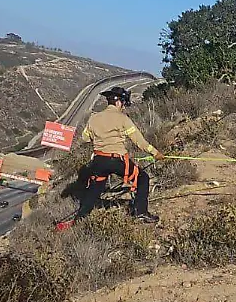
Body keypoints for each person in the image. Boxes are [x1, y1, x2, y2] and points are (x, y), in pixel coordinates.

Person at [59, 86, 164, 229]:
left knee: (95, 189)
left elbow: (85, 138)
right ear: (119, 102)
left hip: (98, 161)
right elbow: (139, 141)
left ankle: (80, 218)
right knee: (142, 178)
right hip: (117, 160)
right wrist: (155, 153)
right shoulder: (123, 118)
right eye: (124, 103)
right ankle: (141, 212)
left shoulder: (94, 118)